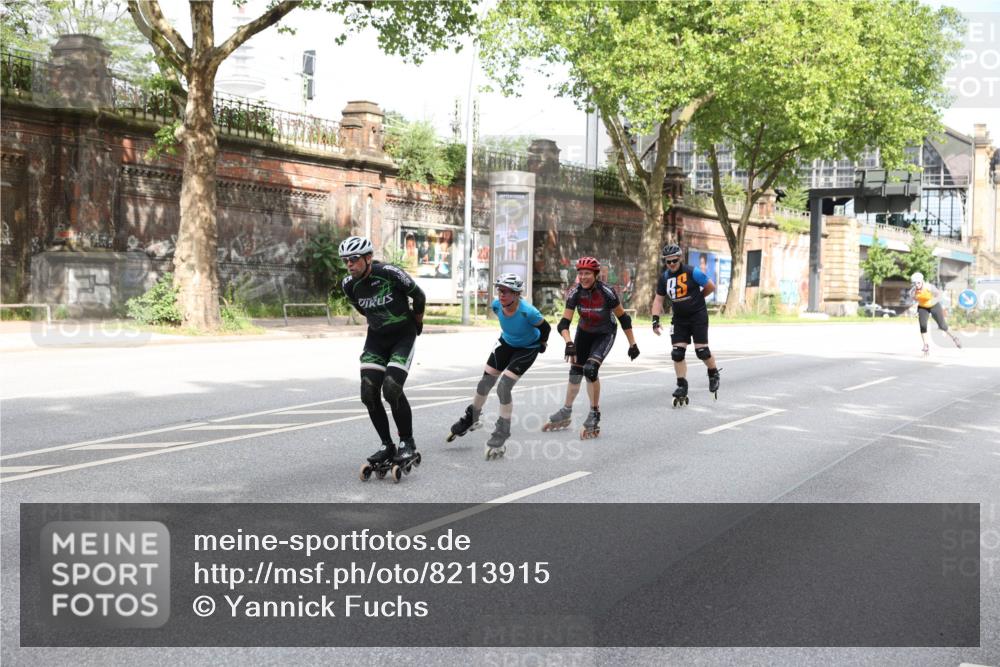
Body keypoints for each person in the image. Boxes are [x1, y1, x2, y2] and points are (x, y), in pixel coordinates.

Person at [340, 235, 426, 475]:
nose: (349, 264)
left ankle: (407, 442)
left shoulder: (389, 273)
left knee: (391, 388)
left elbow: (419, 296)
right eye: (346, 260)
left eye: (354, 259)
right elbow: (361, 307)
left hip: (402, 336)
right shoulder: (348, 284)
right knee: (368, 392)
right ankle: (387, 445)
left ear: (368, 258)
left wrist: (417, 322)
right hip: (376, 340)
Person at [448, 273, 551, 459]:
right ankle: (472, 417)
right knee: (484, 384)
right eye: (500, 291)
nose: (501, 295)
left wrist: (542, 344)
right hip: (506, 343)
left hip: (528, 348)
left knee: (504, 387)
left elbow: (546, 328)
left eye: (506, 291)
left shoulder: (528, 312)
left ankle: (502, 431)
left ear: (517, 294)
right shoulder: (496, 306)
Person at [544, 256, 639, 438]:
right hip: (584, 333)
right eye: (580, 273)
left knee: (590, 370)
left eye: (587, 273)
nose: (583, 277)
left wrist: (632, 344)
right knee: (575, 372)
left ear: (596, 274)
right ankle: (566, 410)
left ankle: (594, 413)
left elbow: (624, 318)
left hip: (605, 333)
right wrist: (569, 343)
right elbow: (563, 323)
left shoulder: (607, 292)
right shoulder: (575, 293)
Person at [651, 244, 720, 406]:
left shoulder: (692, 271)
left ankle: (713, 373)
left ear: (680, 258)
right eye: (668, 262)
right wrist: (655, 320)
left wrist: (698, 298)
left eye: (674, 260)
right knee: (677, 353)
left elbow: (710, 286)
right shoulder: (664, 278)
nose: (672, 264)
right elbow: (658, 299)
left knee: (702, 351)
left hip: (698, 316)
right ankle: (682, 385)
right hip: (680, 319)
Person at [909, 272, 961, 354]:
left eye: (918, 283)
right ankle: (926, 345)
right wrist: (916, 309)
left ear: (922, 281)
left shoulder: (929, 287)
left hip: (934, 305)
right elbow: (915, 300)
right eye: (914, 283)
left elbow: (939, 294)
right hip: (923, 307)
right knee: (922, 326)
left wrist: (932, 301)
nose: (917, 285)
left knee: (942, 326)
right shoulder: (912, 291)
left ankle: (954, 338)